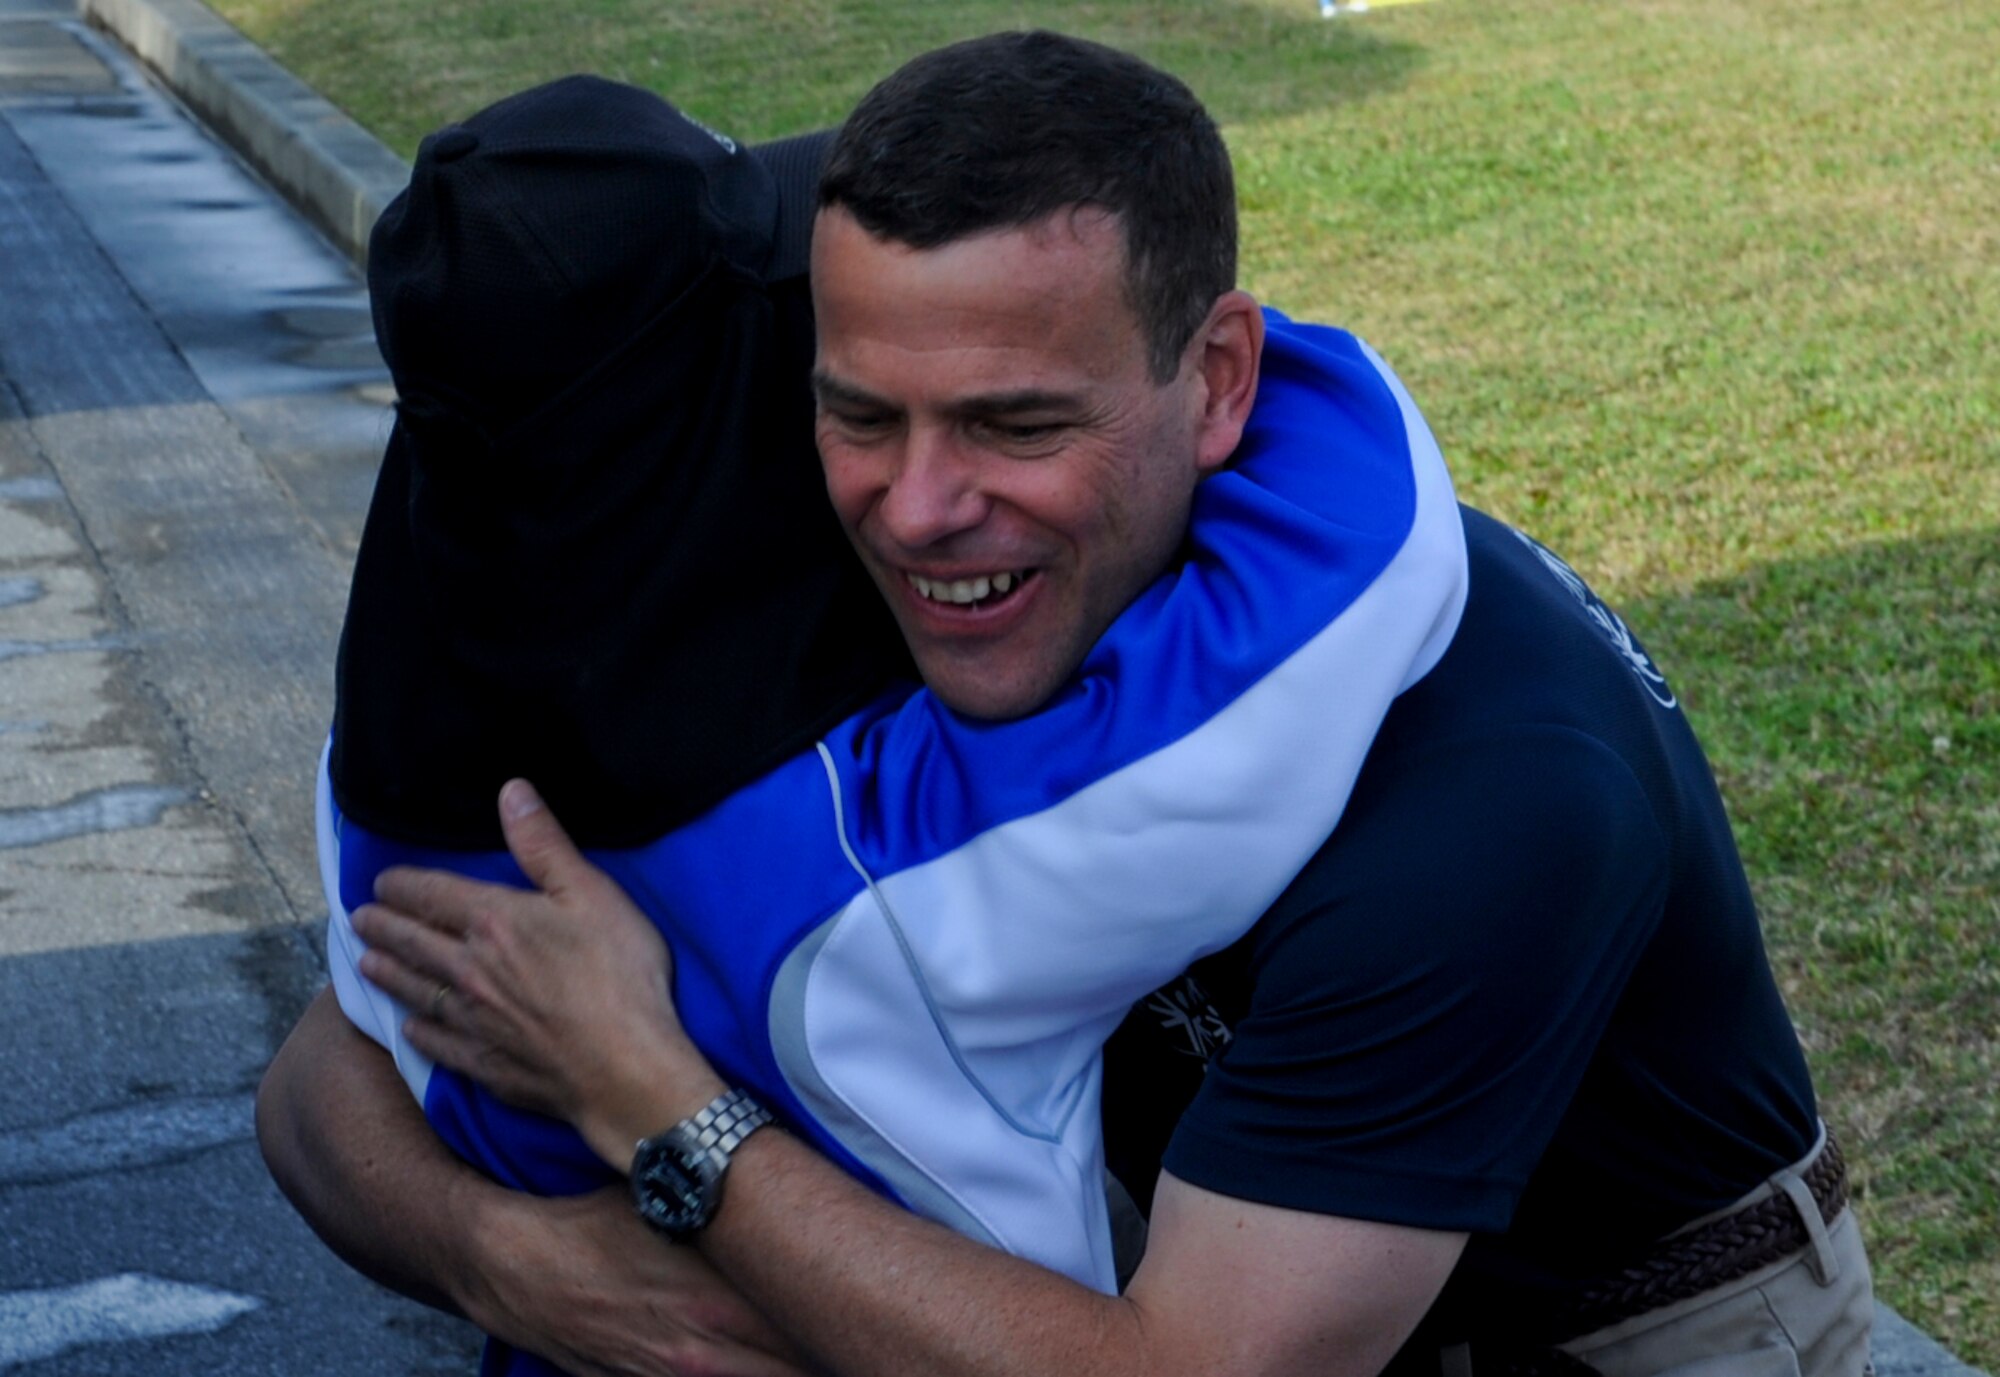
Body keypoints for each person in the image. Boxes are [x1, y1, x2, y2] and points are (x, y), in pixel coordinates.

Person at [265, 30, 1873, 1377]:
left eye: (1015, 423)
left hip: (1594, 1327)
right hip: (1160, 1247)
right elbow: (323, 1077)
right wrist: (503, 1252)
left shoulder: (1493, 790)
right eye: (858, 413)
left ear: (1221, 382)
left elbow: (1196, 1368)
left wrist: (667, 1115)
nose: (919, 507)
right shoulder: (877, 547)